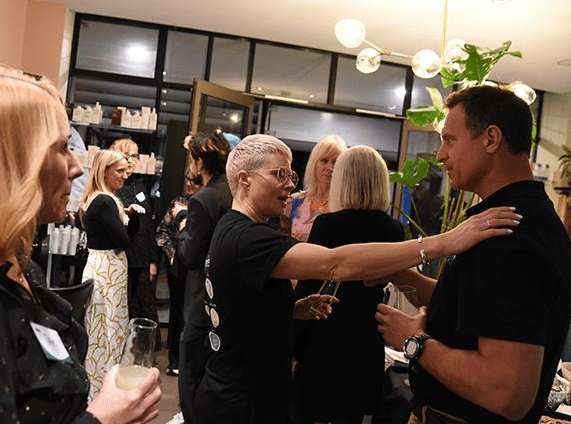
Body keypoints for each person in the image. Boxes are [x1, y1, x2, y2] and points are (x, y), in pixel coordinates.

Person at [192, 134, 521, 424]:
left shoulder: (237, 228)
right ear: (245, 179)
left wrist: (294, 310)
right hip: (241, 403)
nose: (290, 184)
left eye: (290, 175)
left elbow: (240, 307)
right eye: (279, 174)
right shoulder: (248, 238)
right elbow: (335, 264)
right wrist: (443, 242)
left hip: (246, 392)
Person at [0, 67, 161, 424]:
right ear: (3, 161)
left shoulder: (17, 265)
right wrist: (102, 419)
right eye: (61, 148)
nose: (76, 167)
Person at [375, 84, 571, 424]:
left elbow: (506, 392)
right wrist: (397, 272)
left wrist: (414, 342)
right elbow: (473, 306)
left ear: (491, 139)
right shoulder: (506, 219)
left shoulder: (508, 234)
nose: (440, 155)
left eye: (450, 140)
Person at [291, 145, 405, 424]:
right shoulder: (394, 230)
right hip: (365, 341)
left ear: (343, 180)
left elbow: (309, 288)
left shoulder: (327, 226)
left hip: (325, 337)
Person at [175, 131, 233, 424]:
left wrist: (181, 222)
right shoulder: (232, 192)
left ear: (199, 163)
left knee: (192, 374)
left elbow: (190, 256)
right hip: (231, 299)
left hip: (204, 299)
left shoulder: (203, 199)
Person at [79, 149, 144, 400]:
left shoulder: (95, 199)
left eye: (126, 171)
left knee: (100, 327)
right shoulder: (105, 202)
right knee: (107, 330)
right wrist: (134, 219)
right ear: (103, 171)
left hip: (101, 267)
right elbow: (124, 242)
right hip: (108, 270)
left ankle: (98, 389)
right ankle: (103, 392)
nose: (125, 176)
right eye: (119, 171)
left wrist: (127, 216)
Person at [156, 169, 203, 376]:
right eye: (188, 180)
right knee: (177, 314)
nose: (190, 183)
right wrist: (172, 255)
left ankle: (191, 361)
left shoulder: (205, 204)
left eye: (195, 181)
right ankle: (175, 360)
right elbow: (162, 232)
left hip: (198, 268)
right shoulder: (178, 202)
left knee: (194, 313)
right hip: (177, 268)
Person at [110, 138, 161, 329]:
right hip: (119, 258)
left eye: (134, 156)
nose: (131, 160)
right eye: (126, 156)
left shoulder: (139, 185)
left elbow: (148, 225)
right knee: (119, 312)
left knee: (144, 312)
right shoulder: (110, 187)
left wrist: (153, 260)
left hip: (141, 260)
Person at [280, 134, 347, 242]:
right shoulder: (294, 202)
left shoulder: (346, 205)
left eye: (336, 162)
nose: (330, 168)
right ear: (314, 163)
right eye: (324, 160)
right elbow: (283, 242)